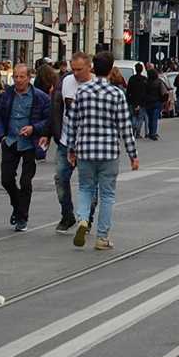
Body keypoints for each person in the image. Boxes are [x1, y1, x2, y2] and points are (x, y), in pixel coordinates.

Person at [62, 51, 140, 250]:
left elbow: (73, 122)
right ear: (111, 68)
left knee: (85, 188)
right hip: (108, 152)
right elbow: (125, 126)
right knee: (107, 195)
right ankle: (102, 237)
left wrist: (71, 149)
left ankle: (82, 220)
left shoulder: (82, 91)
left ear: (94, 68)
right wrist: (133, 155)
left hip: (86, 150)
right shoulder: (116, 94)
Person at [0, 63, 52, 231]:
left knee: (25, 182)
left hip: (29, 144)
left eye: (22, 77)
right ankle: (17, 205)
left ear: (29, 78)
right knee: (6, 180)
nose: (19, 80)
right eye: (16, 77)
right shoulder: (7, 94)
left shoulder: (40, 97)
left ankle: (22, 217)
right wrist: (2, 137)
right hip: (10, 141)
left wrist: (34, 128)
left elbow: (48, 119)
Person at [49, 53, 92, 232]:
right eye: (73, 69)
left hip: (88, 143)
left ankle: (86, 219)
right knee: (60, 178)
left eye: (79, 70)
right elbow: (57, 106)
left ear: (89, 67)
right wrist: (55, 133)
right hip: (66, 140)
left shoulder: (95, 85)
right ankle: (67, 215)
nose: (75, 73)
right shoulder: (66, 81)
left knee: (88, 183)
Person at [125, 65, 151, 139]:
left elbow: (128, 91)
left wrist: (128, 100)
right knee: (140, 118)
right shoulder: (144, 80)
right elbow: (146, 92)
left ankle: (133, 129)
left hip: (132, 101)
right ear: (142, 70)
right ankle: (138, 133)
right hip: (142, 102)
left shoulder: (132, 79)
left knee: (133, 116)